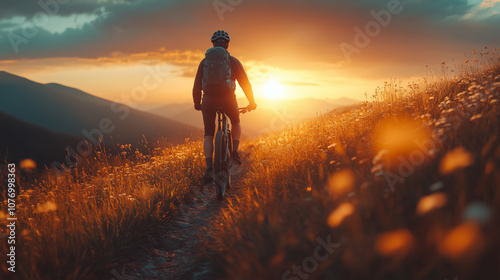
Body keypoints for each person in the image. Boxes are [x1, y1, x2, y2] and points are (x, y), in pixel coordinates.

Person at [193, 30, 257, 184]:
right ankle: (234, 153)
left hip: (208, 100)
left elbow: (196, 86)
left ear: (213, 44)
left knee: (208, 133)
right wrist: (252, 102)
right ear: (227, 44)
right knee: (235, 121)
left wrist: (197, 103)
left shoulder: (204, 62)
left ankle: (209, 168)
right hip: (228, 99)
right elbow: (245, 84)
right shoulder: (233, 61)